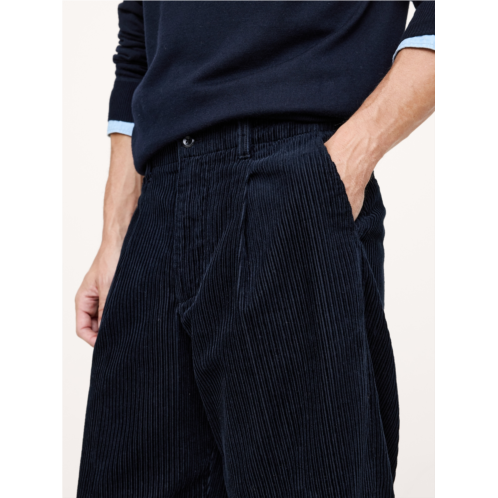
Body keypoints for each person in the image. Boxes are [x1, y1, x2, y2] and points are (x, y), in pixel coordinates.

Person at [75, 1, 435, 496]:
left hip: (293, 178)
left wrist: (350, 157)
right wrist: (115, 233)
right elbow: (138, 30)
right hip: (157, 204)